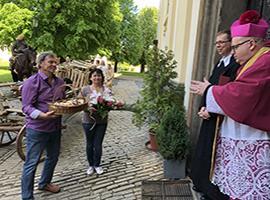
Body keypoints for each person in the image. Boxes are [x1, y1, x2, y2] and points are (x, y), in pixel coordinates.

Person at [190, 10, 270, 199]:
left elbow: (243, 95)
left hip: (253, 138)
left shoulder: (265, 60)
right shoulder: (253, 61)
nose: (232, 53)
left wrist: (209, 90)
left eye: (235, 47)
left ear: (251, 44)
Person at [190, 30, 240, 200]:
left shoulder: (235, 65)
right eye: (216, 43)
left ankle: (212, 192)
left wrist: (210, 109)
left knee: (215, 156)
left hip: (221, 119)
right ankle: (202, 184)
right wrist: (203, 107)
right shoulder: (219, 63)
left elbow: (228, 93)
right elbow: (210, 88)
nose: (218, 45)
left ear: (231, 43)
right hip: (209, 116)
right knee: (204, 151)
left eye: (222, 42)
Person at [21, 52, 65, 200]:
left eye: (55, 62)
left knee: (53, 157)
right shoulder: (32, 82)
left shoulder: (59, 82)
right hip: (37, 129)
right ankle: (27, 197)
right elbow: (26, 107)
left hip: (55, 127)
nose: (54, 65)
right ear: (40, 64)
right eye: (50, 62)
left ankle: (44, 183)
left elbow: (62, 102)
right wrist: (42, 115)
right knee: (31, 163)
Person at [80, 68, 112, 175]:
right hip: (88, 121)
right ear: (90, 78)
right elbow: (79, 104)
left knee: (98, 144)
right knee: (89, 143)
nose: (97, 78)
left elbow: (111, 102)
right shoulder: (85, 90)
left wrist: (110, 106)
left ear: (102, 77)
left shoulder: (106, 90)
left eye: (99, 75)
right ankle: (90, 165)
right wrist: (87, 108)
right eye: (94, 76)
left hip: (102, 121)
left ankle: (97, 165)